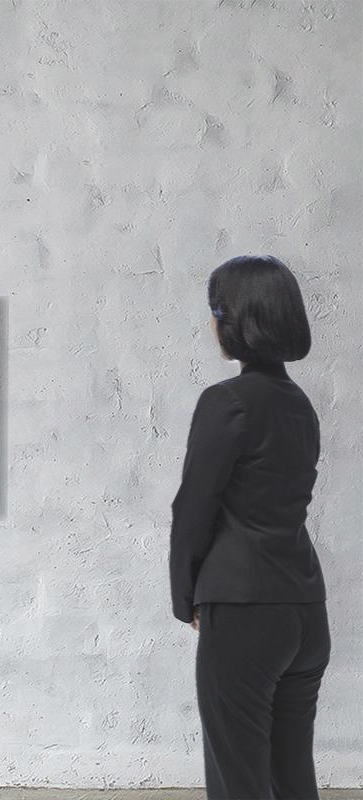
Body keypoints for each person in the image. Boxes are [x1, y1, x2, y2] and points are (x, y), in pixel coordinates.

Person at [169, 254, 330, 800]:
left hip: (243, 609)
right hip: (305, 611)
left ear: (235, 320)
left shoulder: (227, 401)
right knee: (292, 779)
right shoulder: (299, 405)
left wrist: (185, 598)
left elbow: (194, 509)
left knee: (237, 781)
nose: (212, 322)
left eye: (216, 310)